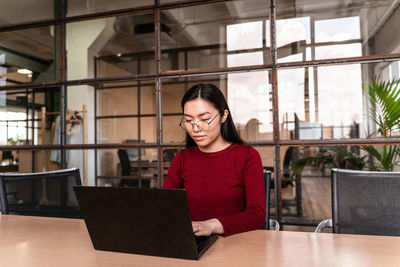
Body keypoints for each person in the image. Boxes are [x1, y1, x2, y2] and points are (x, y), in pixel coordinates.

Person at [163, 83, 266, 237]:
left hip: (235, 245)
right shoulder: (182, 158)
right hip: (191, 245)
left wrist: (212, 225)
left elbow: (257, 215)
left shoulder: (247, 156)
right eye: (189, 121)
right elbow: (164, 206)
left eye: (204, 119)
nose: (195, 128)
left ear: (224, 115)